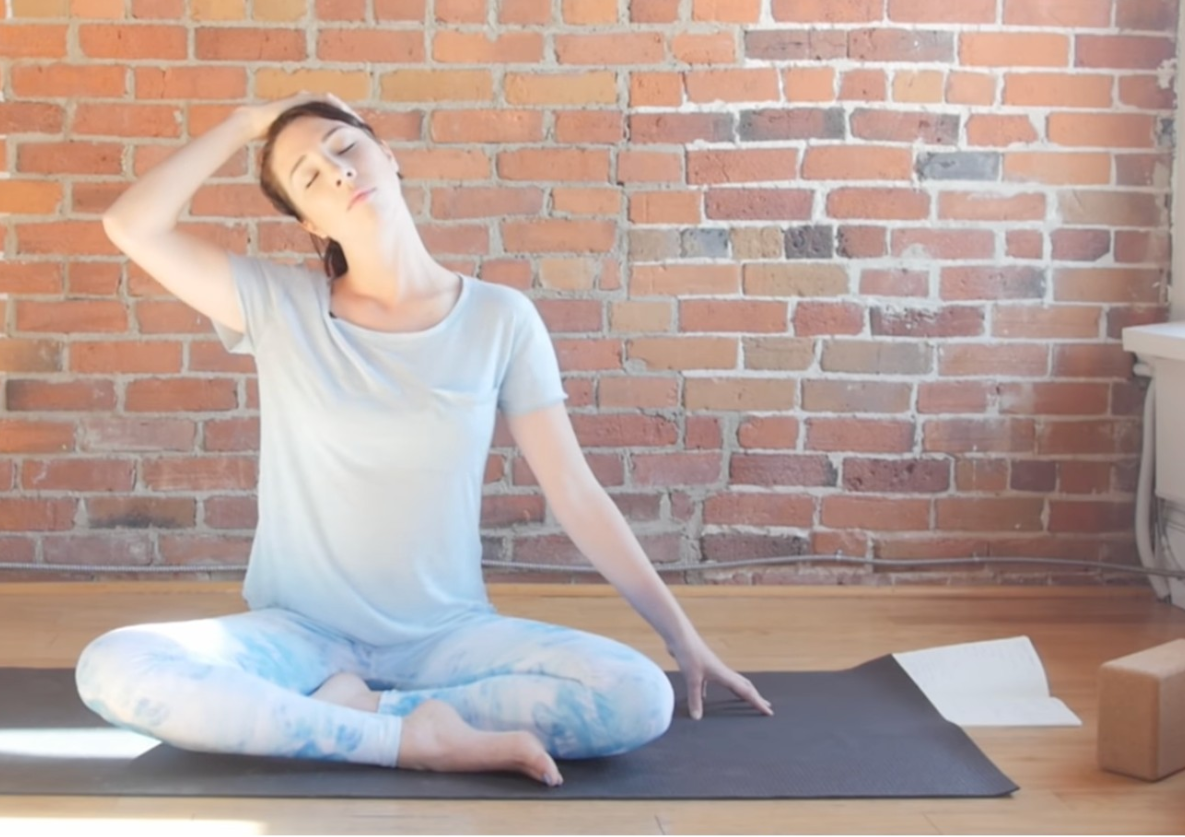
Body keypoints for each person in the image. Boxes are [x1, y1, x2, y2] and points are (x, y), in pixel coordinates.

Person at [77, 92, 772, 786]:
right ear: (309, 221)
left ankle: (364, 713)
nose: (338, 172)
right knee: (115, 667)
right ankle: (408, 739)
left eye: (345, 148)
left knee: (637, 698)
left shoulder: (501, 319)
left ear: (388, 156)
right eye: (310, 177)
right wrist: (244, 123)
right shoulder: (278, 306)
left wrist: (682, 636)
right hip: (303, 638)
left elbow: (575, 492)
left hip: (448, 641)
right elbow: (130, 224)